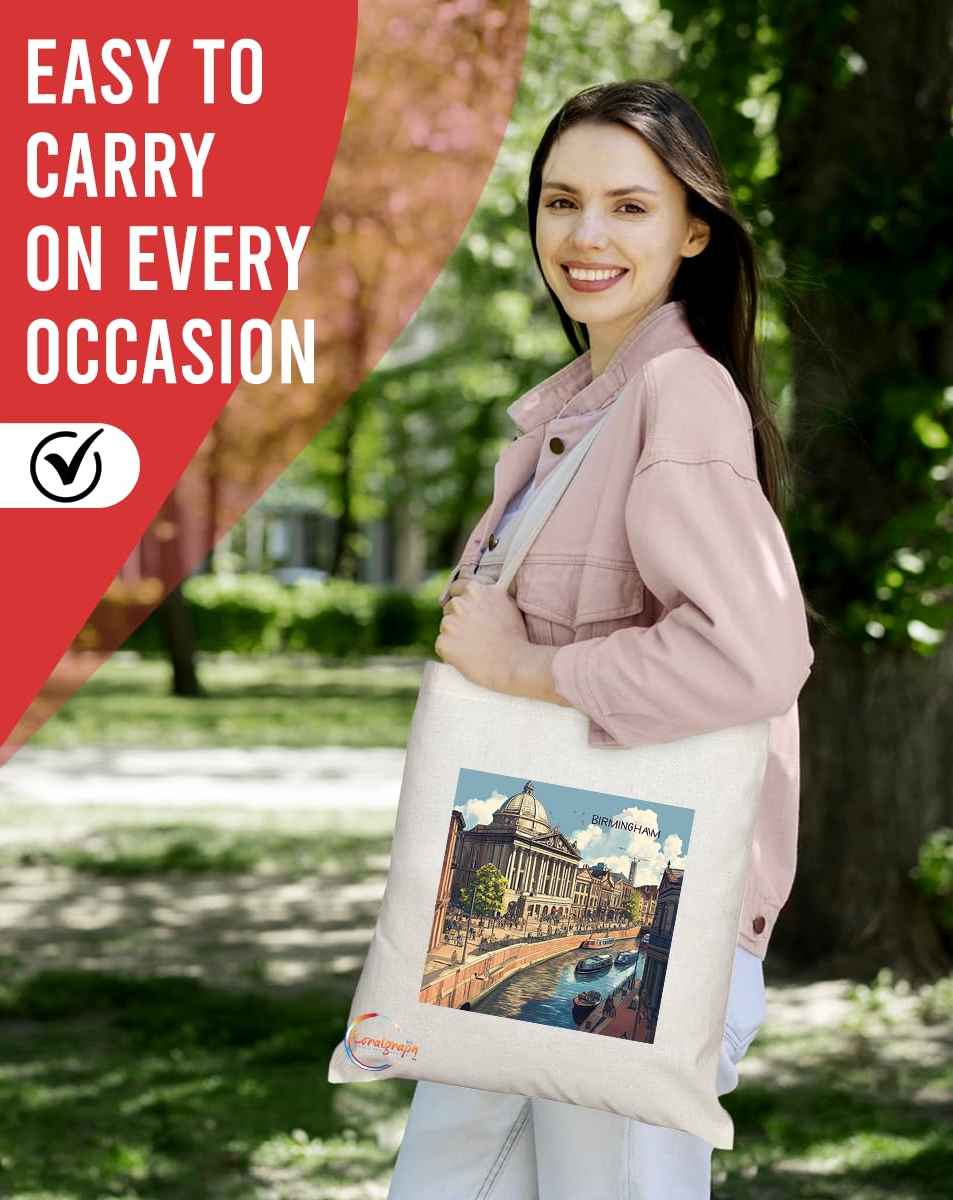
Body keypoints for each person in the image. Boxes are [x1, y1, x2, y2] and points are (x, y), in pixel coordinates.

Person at [387, 76, 814, 1200]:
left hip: (639, 922)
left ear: (693, 229)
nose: (584, 236)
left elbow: (751, 658)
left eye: (628, 207)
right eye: (559, 201)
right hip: (546, 903)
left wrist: (525, 667)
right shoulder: (580, 415)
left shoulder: (678, 397)